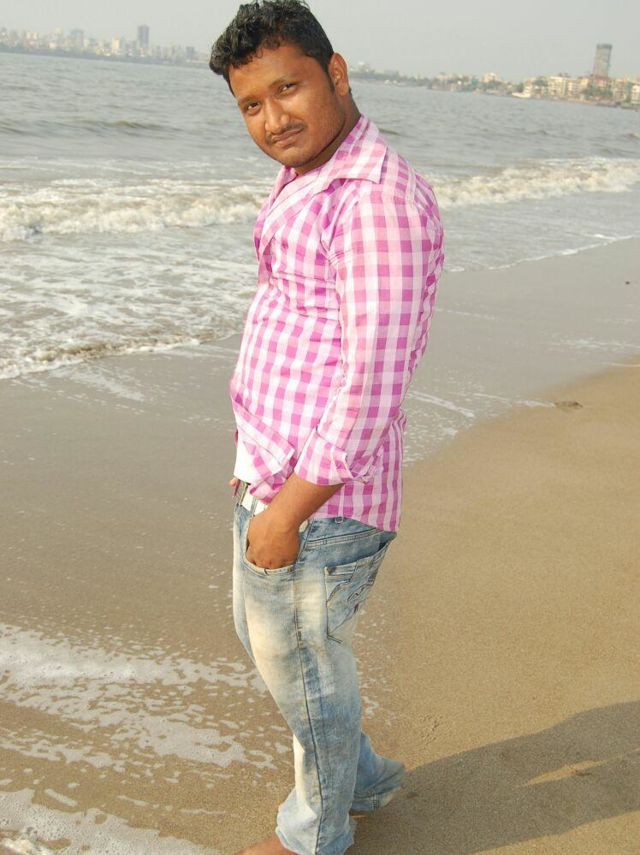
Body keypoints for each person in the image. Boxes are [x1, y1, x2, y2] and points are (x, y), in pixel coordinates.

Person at [209, 2, 444, 853]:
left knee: (304, 665)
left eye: (288, 89)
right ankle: (365, 774)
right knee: (275, 646)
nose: (273, 119)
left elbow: (369, 385)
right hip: (277, 470)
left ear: (335, 73)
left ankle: (315, 833)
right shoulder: (316, 172)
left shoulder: (372, 201)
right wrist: (256, 464)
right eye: (251, 104)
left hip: (320, 502)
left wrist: (287, 511)